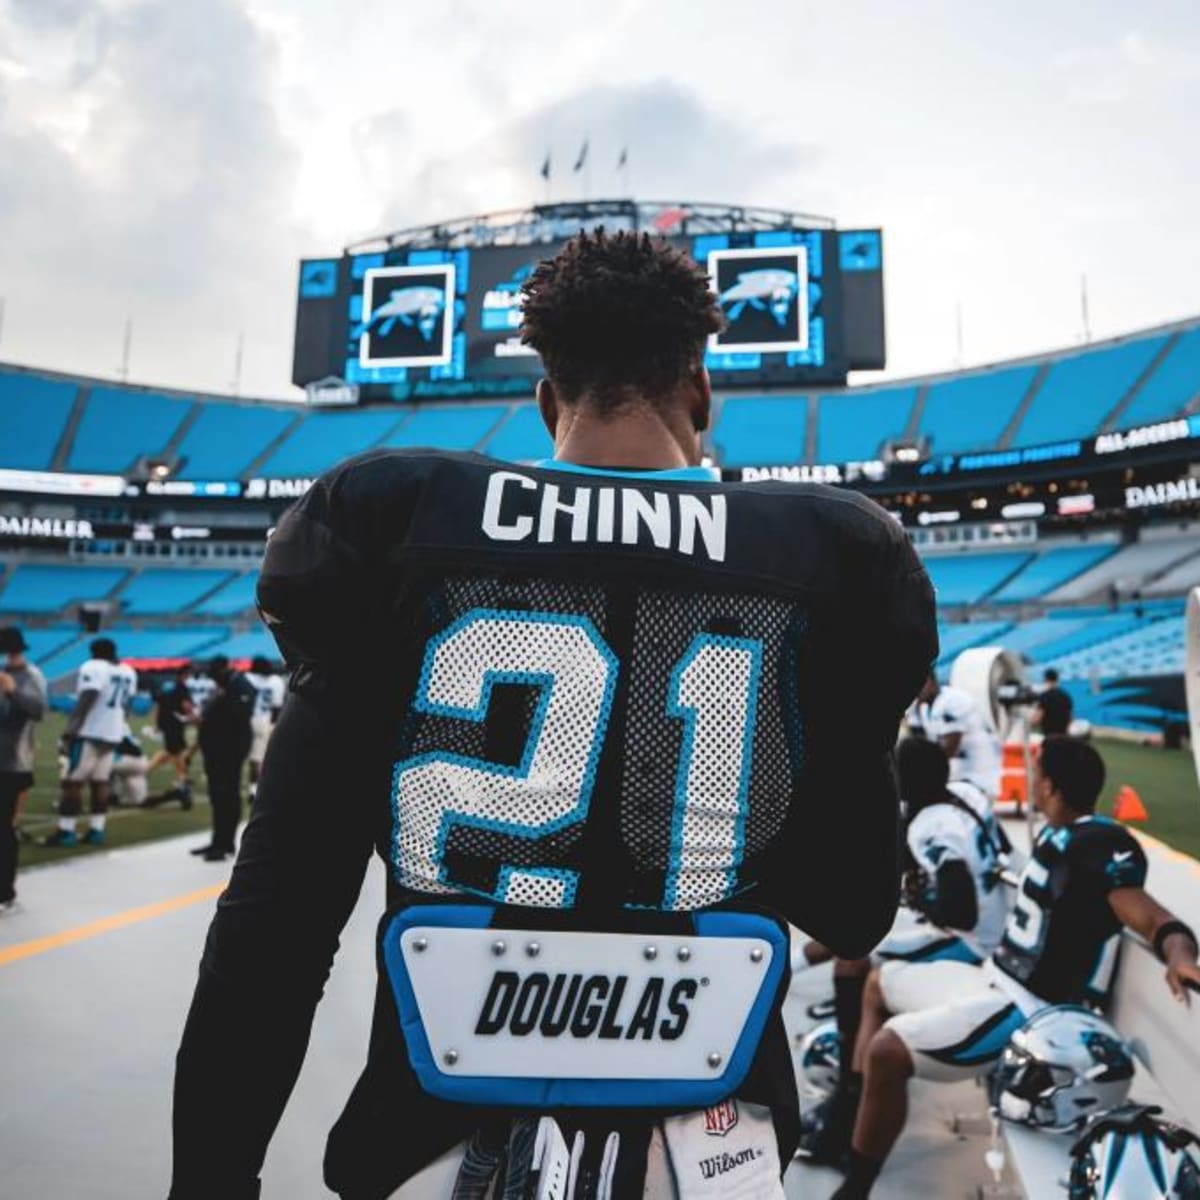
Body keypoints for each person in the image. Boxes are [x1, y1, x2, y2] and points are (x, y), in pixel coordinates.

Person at [170, 230, 938, 1198]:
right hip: (710, 1146)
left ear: (546, 401)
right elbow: (852, 912)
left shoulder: (397, 524)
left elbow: (275, 931)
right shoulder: (829, 554)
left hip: (436, 1133)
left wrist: (211, 1180)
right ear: (701, 391)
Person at [833, 737, 1200, 1199]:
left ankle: (854, 1187)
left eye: (1036, 773)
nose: (1029, 779)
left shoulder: (1096, 846)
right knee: (876, 983)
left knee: (887, 1051)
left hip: (1032, 1012)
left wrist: (1179, 953)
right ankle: (847, 1115)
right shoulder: (1060, 834)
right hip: (996, 977)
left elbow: (1153, 917)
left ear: (1049, 786)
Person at [798, 738, 1010, 1162]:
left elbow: (960, 909)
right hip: (989, 929)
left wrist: (921, 898)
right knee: (856, 935)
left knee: (854, 956)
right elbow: (996, 848)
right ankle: (849, 1088)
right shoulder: (961, 797)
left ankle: (848, 1103)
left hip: (969, 942)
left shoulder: (932, 825)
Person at [45, 637, 137, 848]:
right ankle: (97, 829)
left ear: (94, 652)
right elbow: (128, 704)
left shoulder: (93, 667)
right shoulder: (128, 671)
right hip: (113, 734)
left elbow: (88, 697)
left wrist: (70, 730)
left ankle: (66, 830)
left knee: (72, 782)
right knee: (100, 781)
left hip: (90, 732)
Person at [0, 627, 47, 911]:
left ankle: (5, 891)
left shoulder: (31, 675)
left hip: (12, 762)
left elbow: (38, 710)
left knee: (4, 828)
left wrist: (12, 691)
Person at [191, 656, 254, 863]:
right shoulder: (228, 686)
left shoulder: (240, 686)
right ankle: (218, 840)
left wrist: (213, 714)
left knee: (227, 795)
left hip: (229, 750)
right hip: (217, 750)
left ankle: (225, 843)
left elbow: (238, 716)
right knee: (218, 797)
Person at [910, 671, 1002, 799]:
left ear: (931, 682)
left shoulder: (954, 700)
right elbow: (917, 744)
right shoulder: (921, 707)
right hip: (957, 774)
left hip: (978, 771)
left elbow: (950, 747)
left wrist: (923, 772)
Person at [146, 664, 196, 804]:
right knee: (172, 752)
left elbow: (158, 705)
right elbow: (186, 706)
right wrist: (194, 716)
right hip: (175, 723)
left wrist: (157, 723)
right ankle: (145, 771)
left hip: (167, 722)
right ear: (184, 675)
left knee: (176, 752)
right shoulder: (182, 688)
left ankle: (182, 779)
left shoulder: (168, 687)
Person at [242, 656, 284, 801]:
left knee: (248, 758)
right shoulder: (276, 681)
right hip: (264, 721)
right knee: (259, 758)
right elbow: (277, 707)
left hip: (245, 720)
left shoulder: (247, 678)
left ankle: (255, 788)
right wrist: (273, 724)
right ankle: (256, 788)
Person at [1032, 666, 1072, 737]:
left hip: (1049, 736)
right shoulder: (1066, 696)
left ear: (1045, 680)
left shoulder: (1044, 696)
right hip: (1064, 736)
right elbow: (1070, 718)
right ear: (1057, 680)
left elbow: (1037, 719)